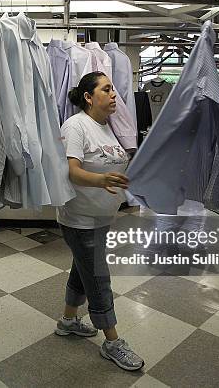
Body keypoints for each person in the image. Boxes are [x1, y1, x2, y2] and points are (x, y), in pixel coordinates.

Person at [54, 71, 145, 371]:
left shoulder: (107, 127)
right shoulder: (76, 125)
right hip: (79, 219)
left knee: (82, 270)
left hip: (100, 218)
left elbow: (112, 164)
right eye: (106, 89)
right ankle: (112, 341)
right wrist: (100, 179)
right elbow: (72, 171)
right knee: (98, 278)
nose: (114, 94)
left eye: (114, 89)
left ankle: (68, 321)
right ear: (89, 97)